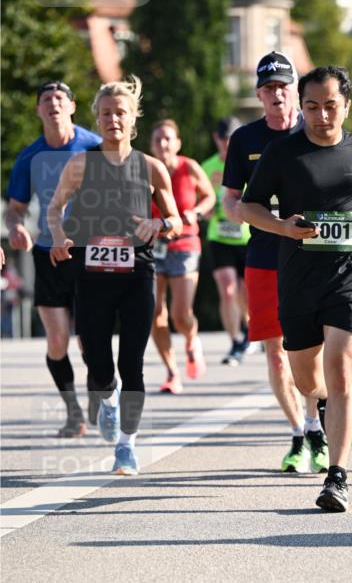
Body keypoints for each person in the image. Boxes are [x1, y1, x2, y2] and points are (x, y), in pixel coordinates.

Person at [240, 65, 352, 511]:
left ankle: (337, 476)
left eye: (330, 106)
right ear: (302, 106)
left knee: (340, 371)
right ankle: (319, 413)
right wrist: (281, 226)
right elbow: (247, 207)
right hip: (298, 279)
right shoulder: (282, 153)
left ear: (346, 106)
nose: (321, 115)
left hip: (351, 274)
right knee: (307, 380)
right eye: (312, 106)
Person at [48, 76, 182, 474]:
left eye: (120, 112)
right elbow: (55, 209)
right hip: (90, 275)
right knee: (100, 368)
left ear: (132, 118)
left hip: (137, 273)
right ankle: (107, 401)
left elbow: (173, 217)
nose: (112, 120)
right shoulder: (80, 164)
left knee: (132, 363)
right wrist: (58, 237)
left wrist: (160, 226)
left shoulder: (152, 167)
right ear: (98, 119)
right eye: (105, 114)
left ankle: (127, 445)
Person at [222, 52, 328, 475]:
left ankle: (317, 420)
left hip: (314, 256)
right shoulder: (245, 139)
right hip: (265, 256)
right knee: (276, 352)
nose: (276, 94)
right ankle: (302, 432)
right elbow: (231, 199)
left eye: (283, 87)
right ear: (259, 95)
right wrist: (240, 212)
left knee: (313, 350)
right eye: (268, 88)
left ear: (296, 91)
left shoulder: (317, 132)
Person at [4, 80, 101, 436]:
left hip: (91, 252)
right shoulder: (29, 156)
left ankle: (99, 392)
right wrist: (16, 228)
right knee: (58, 341)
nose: (53, 104)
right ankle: (73, 413)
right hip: (48, 255)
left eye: (60, 98)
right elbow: (14, 209)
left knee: (90, 338)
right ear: (38, 110)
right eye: (46, 99)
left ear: (73, 107)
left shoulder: (94, 146)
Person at [149, 119, 215, 393]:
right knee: (154, 312)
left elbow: (210, 196)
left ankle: (191, 339)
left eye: (168, 139)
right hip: (152, 246)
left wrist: (195, 213)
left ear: (177, 143)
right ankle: (171, 372)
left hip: (185, 244)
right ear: (151, 145)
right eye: (157, 140)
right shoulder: (146, 170)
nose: (163, 144)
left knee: (180, 313)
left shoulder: (189, 167)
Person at [201, 117, 251, 366]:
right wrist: (205, 210)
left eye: (231, 138)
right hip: (219, 236)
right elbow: (199, 198)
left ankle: (252, 330)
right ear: (216, 139)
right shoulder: (207, 167)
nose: (226, 143)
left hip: (247, 236)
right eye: (222, 138)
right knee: (228, 289)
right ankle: (236, 340)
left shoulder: (248, 163)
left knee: (246, 292)